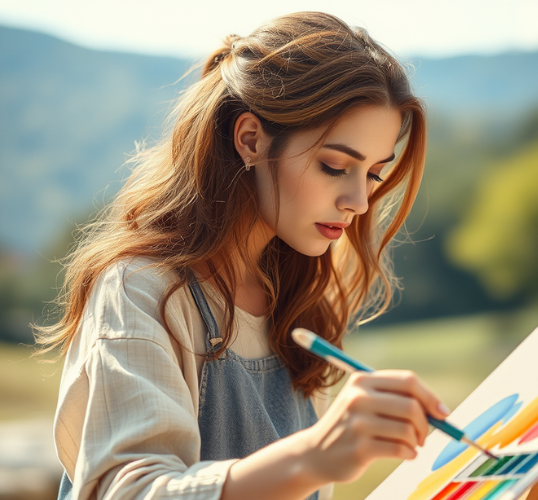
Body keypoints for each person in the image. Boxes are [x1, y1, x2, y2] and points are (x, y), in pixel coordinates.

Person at [35, 11, 450, 500]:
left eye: (374, 174)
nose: (359, 202)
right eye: (335, 166)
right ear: (250, 139)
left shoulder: (296, 298)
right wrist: (313, 456)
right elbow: (127, 491)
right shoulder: (141, 290)